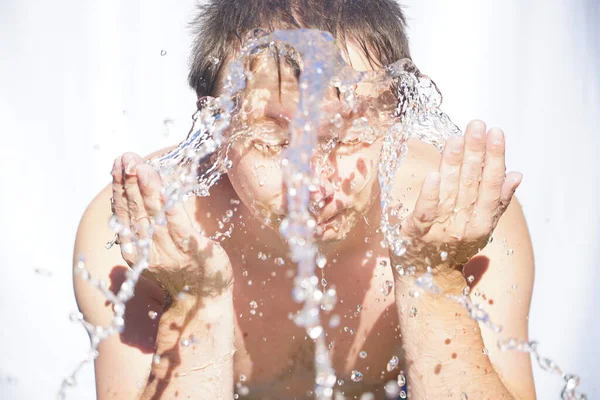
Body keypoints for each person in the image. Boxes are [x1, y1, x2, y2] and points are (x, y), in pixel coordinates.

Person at [73, 1, 536, 399]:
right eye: (274, 142)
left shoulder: (455, 217)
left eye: (349, 133)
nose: (313, 186)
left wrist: (435, 284)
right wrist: (196, 305)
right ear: (213, 126)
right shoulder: (150, 233)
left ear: (396, 111)